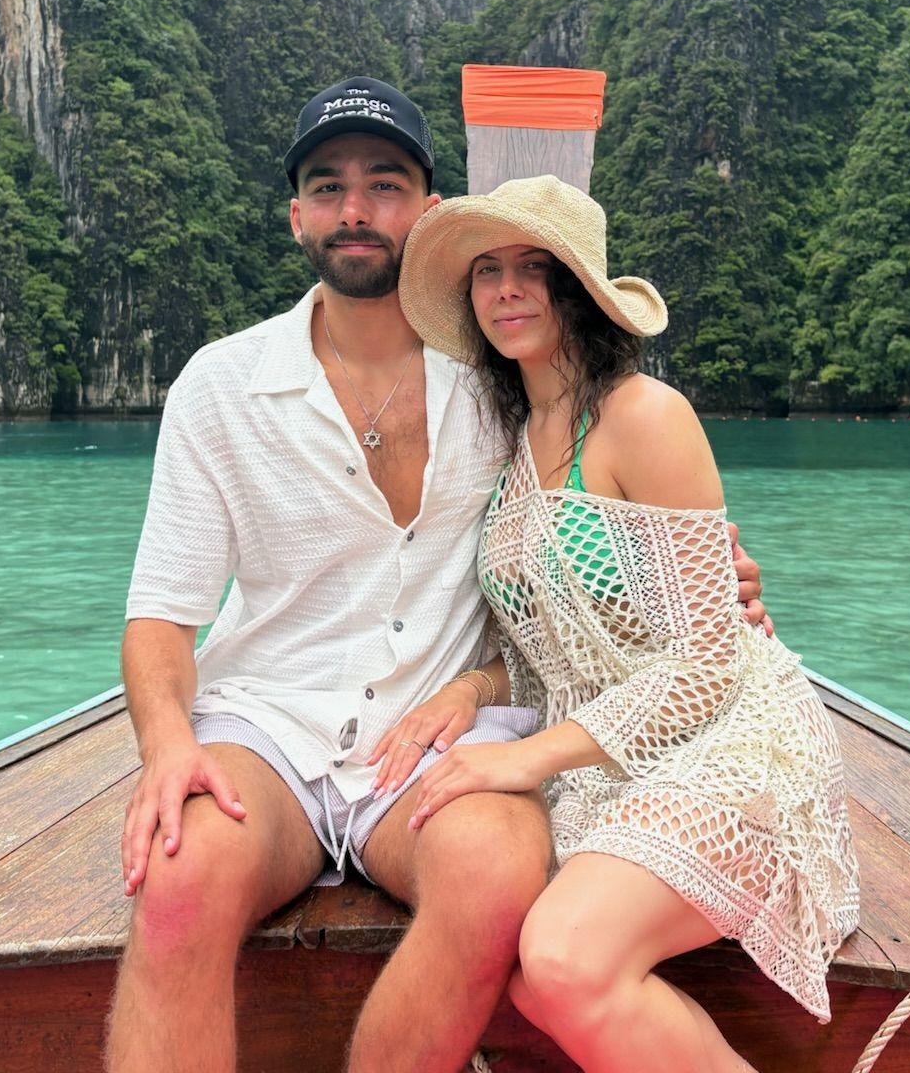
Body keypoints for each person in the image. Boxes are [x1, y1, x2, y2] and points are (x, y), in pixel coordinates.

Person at [107, 77, 769, 1073]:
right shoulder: (221, 385)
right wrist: (166, 747)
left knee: (499, 879)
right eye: (328, 188)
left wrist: (718, 574)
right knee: (178, 873)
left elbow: (599, 513)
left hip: (437, 737)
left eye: (386, 184)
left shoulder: (502, 381)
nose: (357, 210)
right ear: (296, 216)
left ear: (428, 214)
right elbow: (162, 614)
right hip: (267, 730)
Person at [394, 175, 859, 1073]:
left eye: (537, 268)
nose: (507, 290)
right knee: (533, 981)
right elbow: (546, 659)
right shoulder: (514, 444)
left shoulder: (645, 416)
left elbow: (709, 660)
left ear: (583, 290)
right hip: (607, 767)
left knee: (563, 962)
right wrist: (473, 686)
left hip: (730, 745)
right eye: (487, 271)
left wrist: (526, 756)